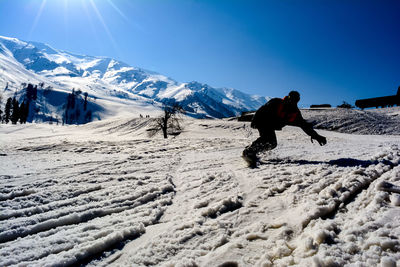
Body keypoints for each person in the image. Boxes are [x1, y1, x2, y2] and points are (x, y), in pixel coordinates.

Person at [243, 91, 327, 167]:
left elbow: (304, 125)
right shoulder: (276, 102)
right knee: (267, 139)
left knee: (272, 144)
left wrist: (316, 136)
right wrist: (254, 121)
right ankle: (249, 152)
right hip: (262, 121)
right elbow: (261, 110)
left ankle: (252, 150)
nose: (293, 101)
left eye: (296, 99)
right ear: (288, 97)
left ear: (298, 100)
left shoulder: (295, 113)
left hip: (269, 125)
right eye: (292, 98)